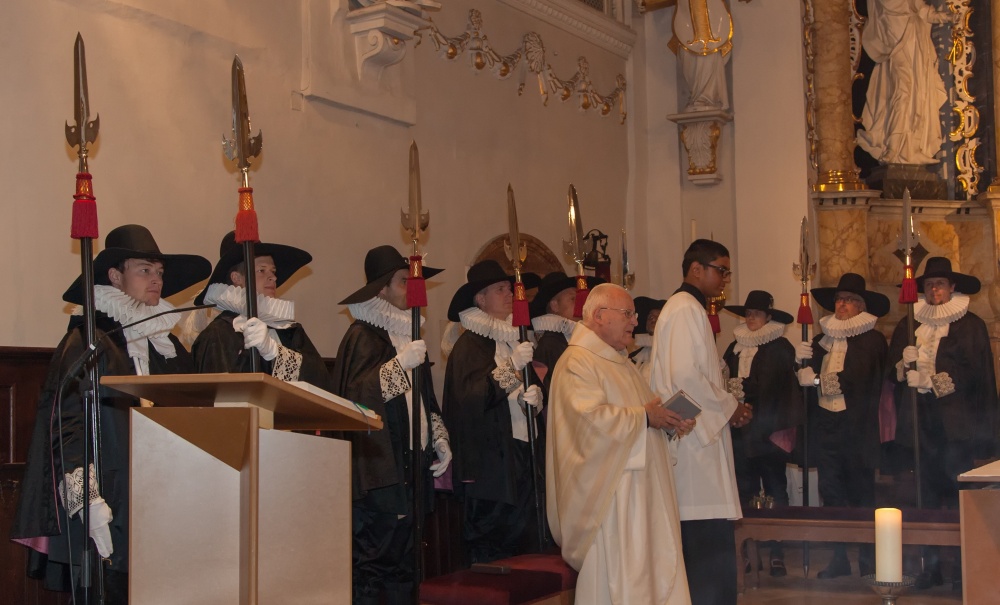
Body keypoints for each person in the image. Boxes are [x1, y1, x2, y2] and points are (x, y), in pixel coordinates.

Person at [11, 224, 211, 603]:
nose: (157, 281)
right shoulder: (88, 341)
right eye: (145, 270)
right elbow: (67, 426)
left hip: (164, 496)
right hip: (110, 497)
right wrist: (87, 500)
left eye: (160, 273)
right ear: (115, 276)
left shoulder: (167, 348)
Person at [547, 283, 694, 604]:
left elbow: (644, 418)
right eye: (627, 314)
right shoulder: (578, 362)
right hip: (612, 502)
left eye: (634, 314)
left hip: (643, 496)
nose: (634, 321)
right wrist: (645, 417)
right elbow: (587, 422)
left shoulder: (620, 362)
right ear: (599, 315)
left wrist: (668, 422)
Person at [331, 245, 452, 605]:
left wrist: (440, 437)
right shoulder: (363, 336)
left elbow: (424, 401)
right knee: (376, 566)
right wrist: (399, 366)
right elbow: (357, 398)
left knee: (408, 564)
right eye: (404, 280)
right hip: (379, 473)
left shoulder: (408, 336)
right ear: (381, 289)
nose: (412, 288)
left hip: (411, 464)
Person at [886, 257, 998, 589]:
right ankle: (930, 567)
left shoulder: (970, 325)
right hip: (921, 423)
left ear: (953, 288)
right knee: (926, 496)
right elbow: (893, 375)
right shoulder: (909, 323)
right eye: (930, 285)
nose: (934, 290)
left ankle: (964, 569)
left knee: (958, 495)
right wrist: (903, 367)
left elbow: (975, 375)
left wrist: (933, 381)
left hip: (956, 426)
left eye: (940, 284)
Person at [649, 239, 749, 605]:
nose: (725, 278)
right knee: (705, 554)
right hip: (692, 448)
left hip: (695, 437)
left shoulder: (688, 308)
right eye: (721, 269)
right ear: (696, 269)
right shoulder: (684, 309)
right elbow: (684, 376)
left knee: (709, 547)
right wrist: (729, 405)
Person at [442, 260, 542, 563]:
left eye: (509, 288)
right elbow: (470, 401)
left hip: (522, 460)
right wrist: (512, 368)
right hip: (490, 470)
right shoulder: (469, 346)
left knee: (526, 546)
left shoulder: (516, 339)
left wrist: (534, 402)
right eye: (500, 289)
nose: (509, 293)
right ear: (480, 299)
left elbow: (533, 393)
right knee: (493, 550)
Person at [797, 273, 889, 578]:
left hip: (856, 427)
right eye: (839, 299)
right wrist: (799, 364)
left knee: (862, 494)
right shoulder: (822, 340)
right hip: (827, 425)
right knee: (831, 492)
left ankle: (868, 557)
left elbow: (859, 378)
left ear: (861, 306)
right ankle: (839, 558)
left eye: (849, 300)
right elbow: (805, 379)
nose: (842, 305)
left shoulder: (871, 339)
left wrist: (818, 379)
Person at [721, 290, 802, 578]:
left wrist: (745, 400)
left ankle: (777, 551)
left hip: (767, 432)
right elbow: (726, 379)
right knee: (744, 491)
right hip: (740, 433)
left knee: (776, 490)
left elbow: (770, 386)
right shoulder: (734, 346)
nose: (751, 318)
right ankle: (746, 553)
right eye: (748, 313)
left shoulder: (779, 346)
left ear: (768, 316)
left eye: (756, 313)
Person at [192, 231, 329, 387]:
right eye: (262, 270)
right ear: (237, 278)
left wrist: (274, 352)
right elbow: (224, 396)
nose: (273, 277)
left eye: (273, 271)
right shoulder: (219, 333)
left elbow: (321, 380)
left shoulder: (287, 329)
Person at [857, 0, 954, 165]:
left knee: (919, 93)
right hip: (896, 40)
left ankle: (913, 148)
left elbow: (921, 8)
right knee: (903, 92)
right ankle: (894, 147)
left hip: (915, 39)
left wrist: (943, 17)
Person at [529, 271, 603, 398]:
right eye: (573, 298)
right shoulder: (549, 344)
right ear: (555, 306)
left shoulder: (579, 337)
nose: (581, 303)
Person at [629, 295, 666, 382]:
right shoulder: (634, 359)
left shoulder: (672, 354)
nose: (653, 319)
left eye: (658, 316)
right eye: (650, 316)